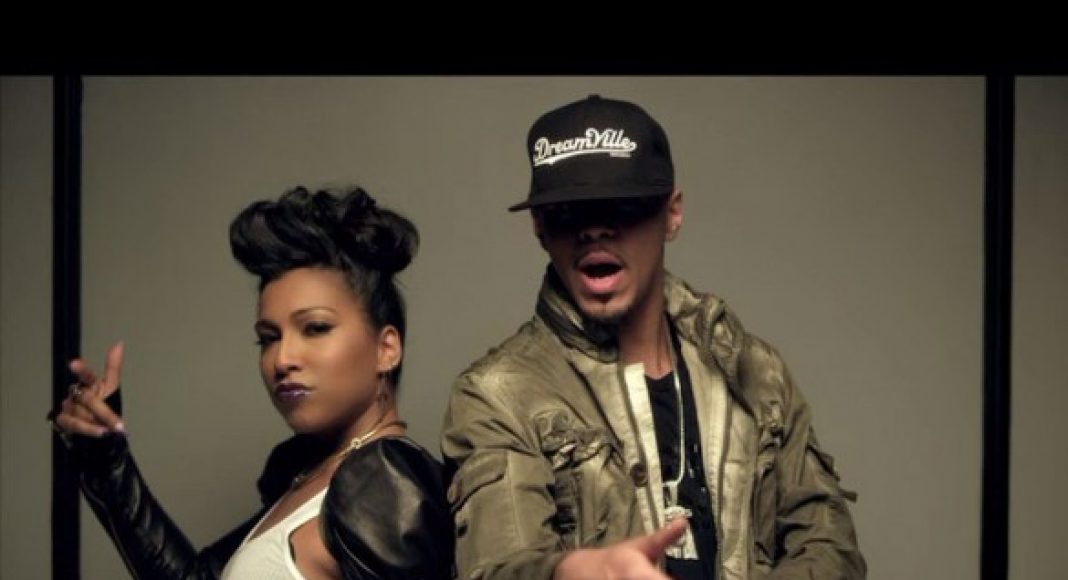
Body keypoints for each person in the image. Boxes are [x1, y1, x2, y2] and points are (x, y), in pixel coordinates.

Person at [441, 95, 866, 579]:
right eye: (567, 212)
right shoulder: (496, 395)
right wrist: (576, 573)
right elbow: (498, 566)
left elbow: (831, 548)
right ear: (539, 227)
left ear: (672, 213)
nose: (593, 231)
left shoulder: (756, 373)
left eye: (621, 206)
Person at [51, 186, 453, 579]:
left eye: (315, 328)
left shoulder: (384, 484)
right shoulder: (311, 479)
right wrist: (106, 461)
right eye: (269, 338)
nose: (282, 359)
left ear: (386, 349)